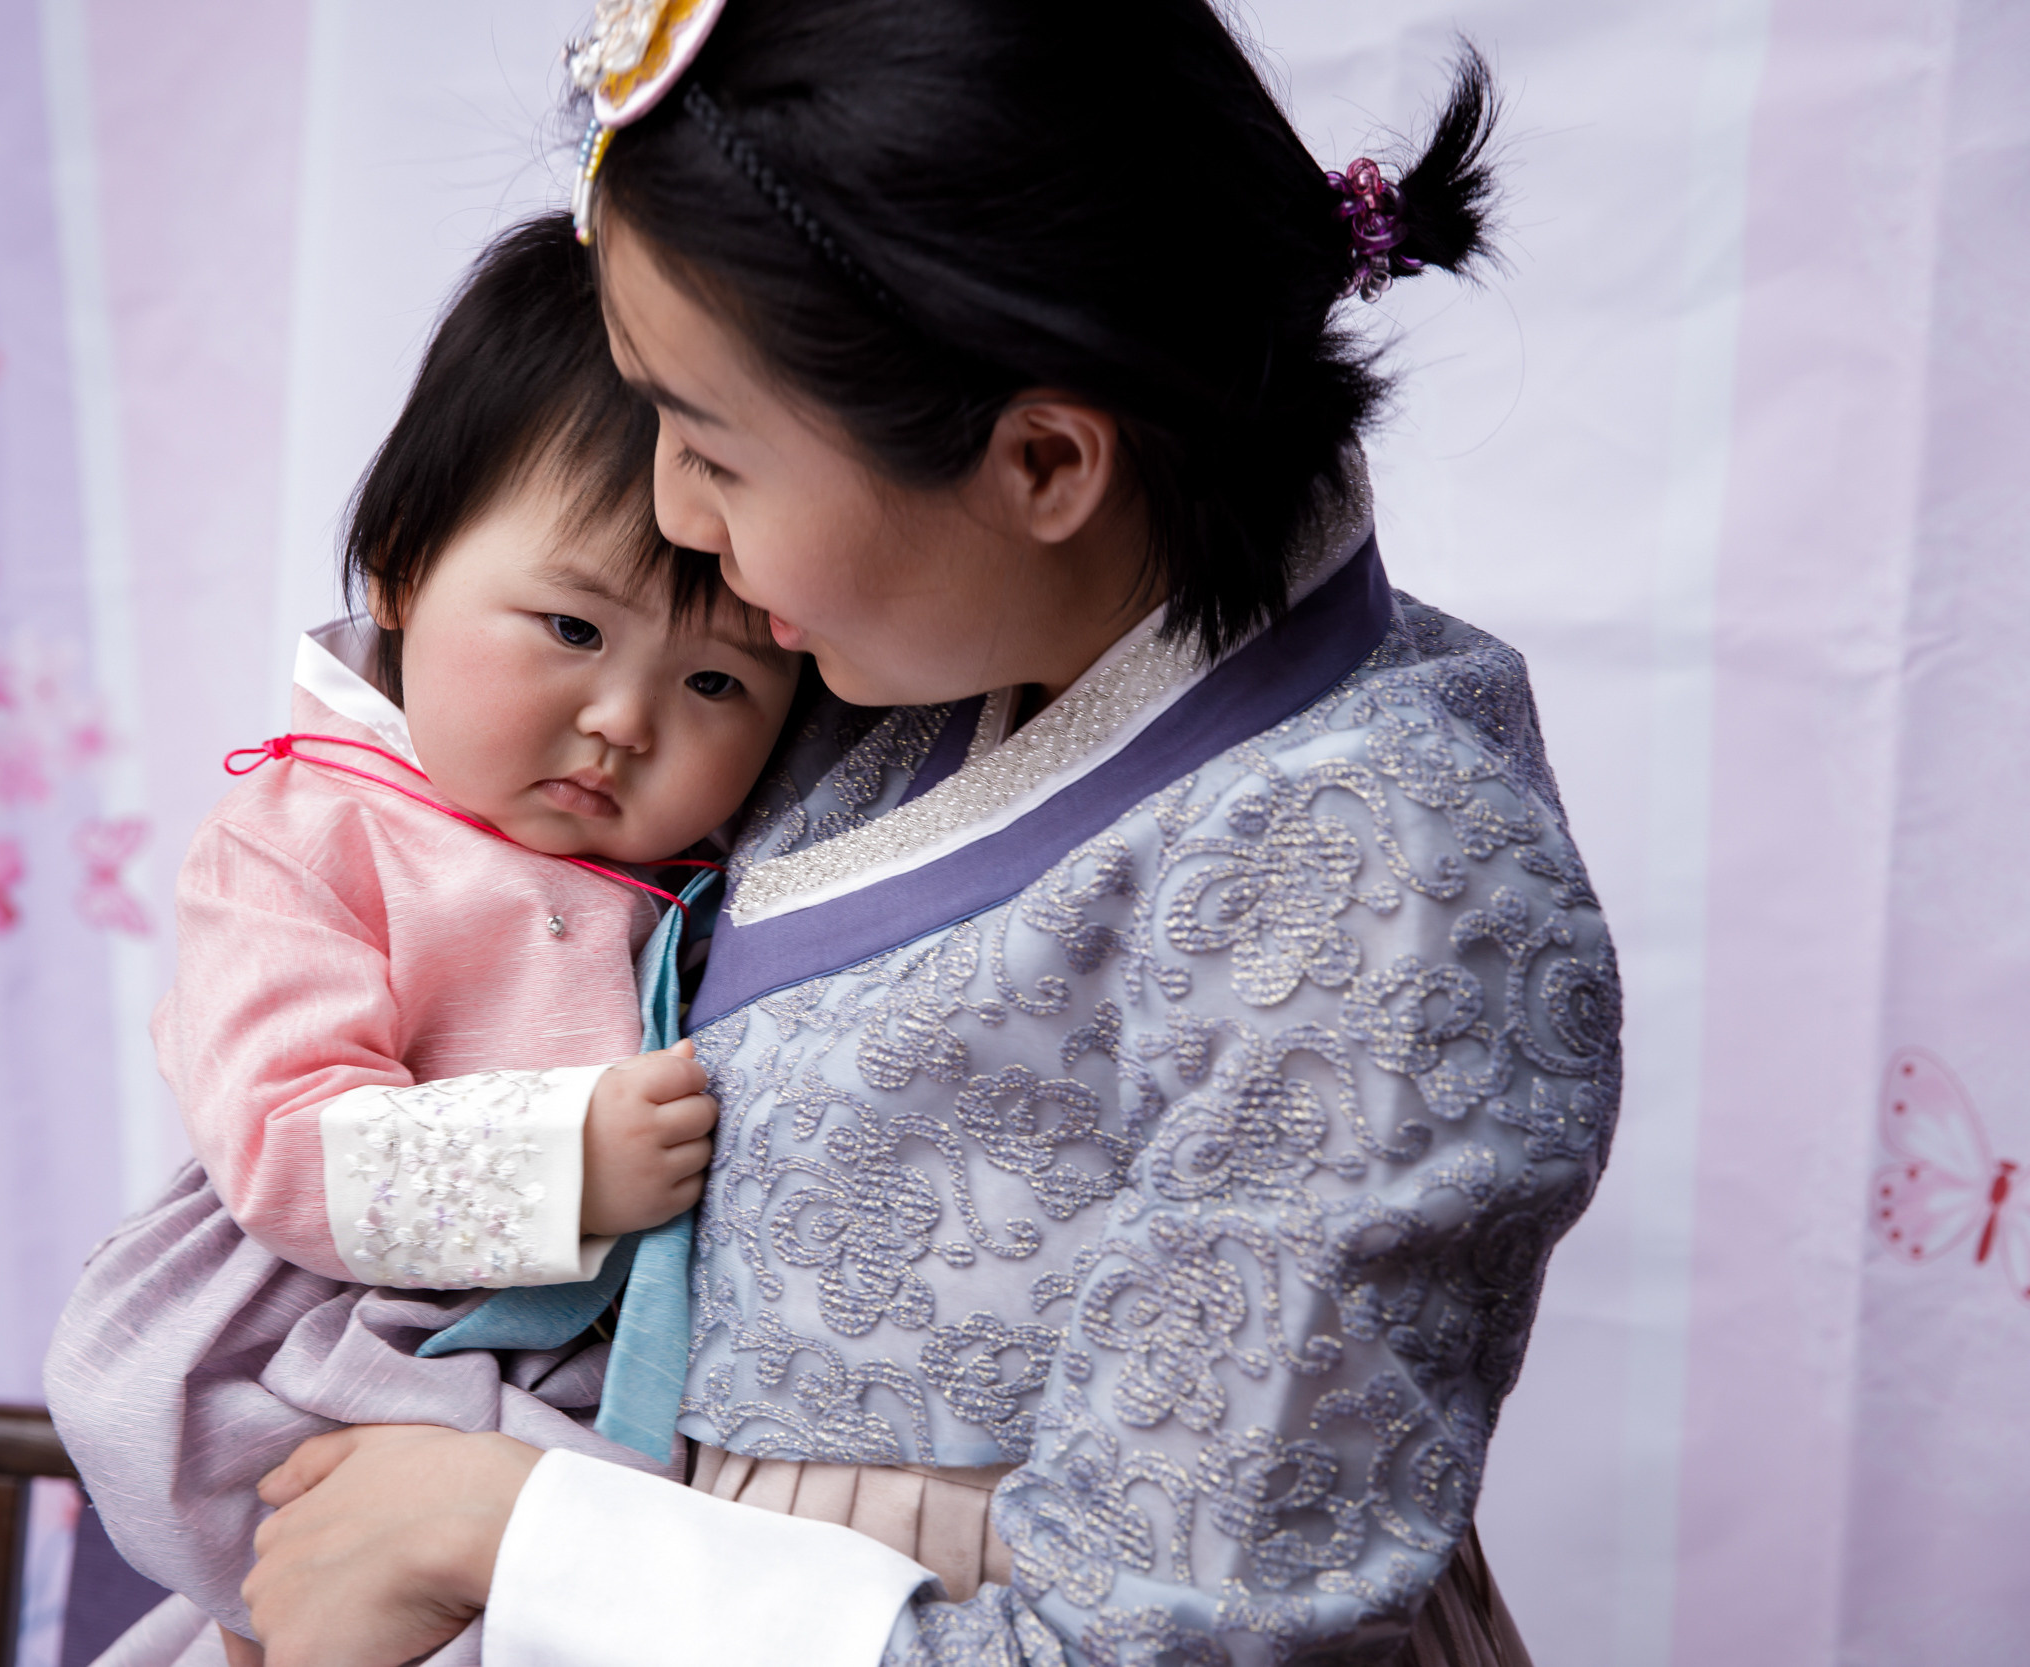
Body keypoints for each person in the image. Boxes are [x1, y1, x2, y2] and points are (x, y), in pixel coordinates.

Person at [238, 3, 1624, 1664]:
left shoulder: (1372, 876)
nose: (675, 519)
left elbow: (1155, 1643)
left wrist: (511, 1534)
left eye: (712, 447)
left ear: (1042, 458)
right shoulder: (899, 651)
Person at [42, 215, 803, 1664]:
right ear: (398, 570)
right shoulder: (314, 833)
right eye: (572, 631)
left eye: (716, 679)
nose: (626, 720)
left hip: (568, 1369)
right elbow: (283, 1136)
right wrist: (558, 1158)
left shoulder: (728, 863)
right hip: (324, 1344)